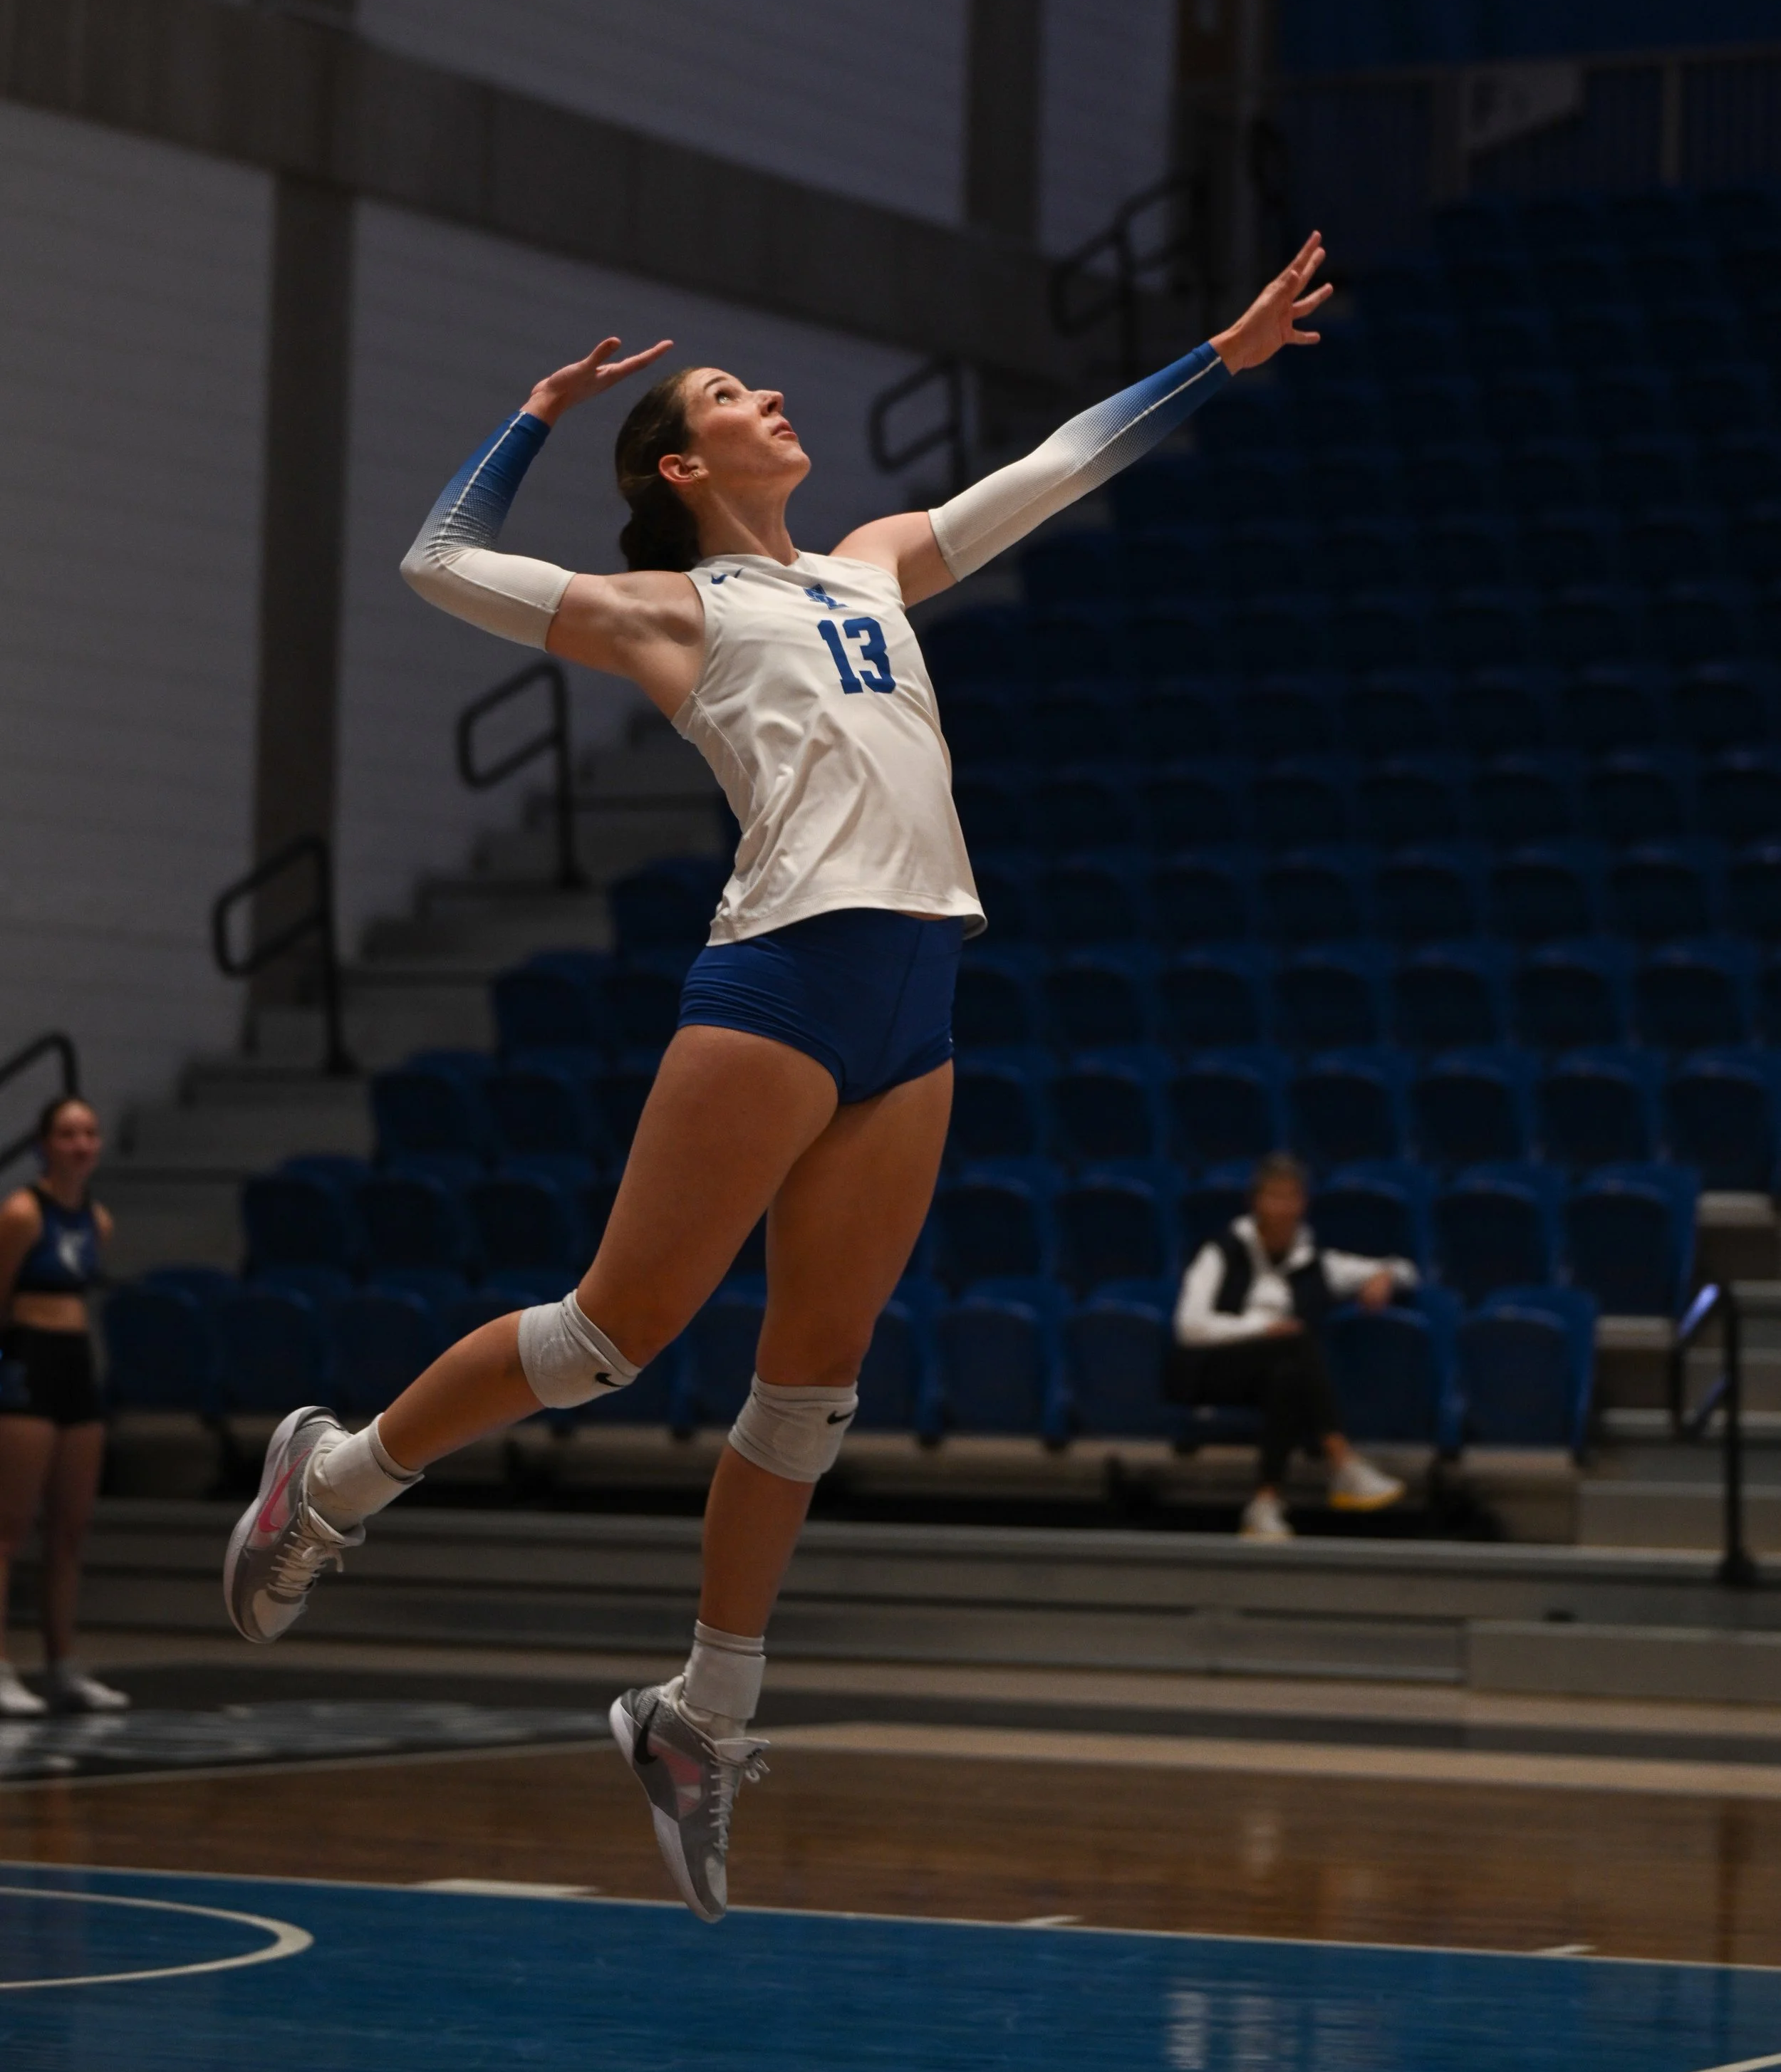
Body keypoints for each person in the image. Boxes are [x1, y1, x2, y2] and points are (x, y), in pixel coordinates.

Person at [222, 231, 1332, 1923]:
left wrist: (1218, 358)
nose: (774, 396)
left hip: (917, 987)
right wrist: (527, 416)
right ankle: (341, 1471)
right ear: (683, 462)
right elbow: (438, 558)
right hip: (786, 971)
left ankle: (699, 1712)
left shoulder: (878, 556)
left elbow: (1047, 469)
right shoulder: (670, 606)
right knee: (614, 1333)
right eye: (736, 395)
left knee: (813, 1383)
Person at [1169, 1150, 1417, 1541]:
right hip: (1209, 1372)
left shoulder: (1317, 1262)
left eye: (1291, 1197)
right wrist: (1262, 1328)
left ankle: (1265, 1504)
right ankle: (1341, 1461)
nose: (1283, 1207)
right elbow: (1190, 1327)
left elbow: (1405, 1269)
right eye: (1274, 1197)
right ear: (1256, 1202)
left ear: (1303, 1203)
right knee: (1295, 1342)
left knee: (1287, 1375)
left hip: (1273, 1377)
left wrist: (1384, 1276)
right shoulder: (1221, 1252)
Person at [0, 1097, 130, 1714]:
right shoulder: (23, 1213)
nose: (81, 1143)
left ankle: (63, 1665)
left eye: (90, 1132)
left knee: (71, 1530)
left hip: (77, 1365)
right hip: (28, 1362)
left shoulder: (98, 1221)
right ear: (44, 1145)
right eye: (68, 1133)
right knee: (8, 1527)